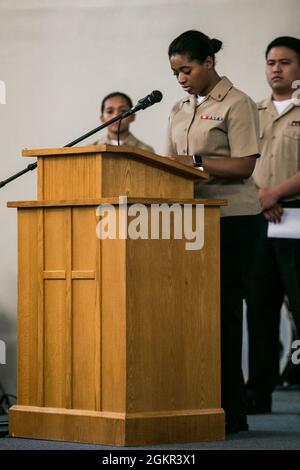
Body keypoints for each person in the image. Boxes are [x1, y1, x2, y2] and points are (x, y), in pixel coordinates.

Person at [165, 30, 261, 434]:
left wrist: (198, 161)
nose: (181, 79)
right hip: (193, 219)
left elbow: (244, 166)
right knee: (193, 314)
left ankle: (233, 410)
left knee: (222, 313)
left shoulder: (237, 103)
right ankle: (197, 401)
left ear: (208, 63)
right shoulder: (178, 107)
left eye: (186, 69)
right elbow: (170, 162)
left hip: (234, 219)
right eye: (175, 72)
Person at [246, 36, 300, 414]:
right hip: (258, 220)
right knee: (259, 311)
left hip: (296, 217)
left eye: (284, 62)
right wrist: (261, 197)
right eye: (270, 62)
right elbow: (241, 161)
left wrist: (275, 193)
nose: (275, 69)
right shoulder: (252, 111)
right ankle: (258, 393)